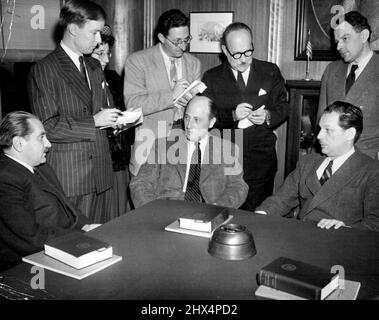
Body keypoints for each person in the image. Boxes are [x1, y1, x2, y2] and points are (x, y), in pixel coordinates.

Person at [28, 0, 121, 223]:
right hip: (71, 179)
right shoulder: (45, 69)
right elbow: (47, 126)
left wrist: (116, 122)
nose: (99, 41)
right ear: (73, 29)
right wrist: (95, 122)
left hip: (102, 175)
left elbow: (101, 110)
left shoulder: (94, 66)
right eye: (94, 33)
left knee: (102, 241)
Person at [202, 22, 289, 212]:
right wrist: (232, 115)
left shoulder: (270, 71)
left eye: (248, 52)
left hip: (260, 161)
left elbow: (283, 107)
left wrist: (267, 116)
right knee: (222, 215)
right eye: (237, 54)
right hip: (225, 161)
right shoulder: (211, 77)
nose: (243, 59)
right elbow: (205, 115)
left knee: (257, 218)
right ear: (225, 50)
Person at [255, 101, 379, 232]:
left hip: (341, 244)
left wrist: (346, 228)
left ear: (349, 134)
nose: (319, 136)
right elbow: (281, 200)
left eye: (328, 130)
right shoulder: (307, 162)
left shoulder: (372, 171)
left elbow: (375, 224)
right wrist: (260, 217)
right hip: (300, 237)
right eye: (320, 129)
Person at [0, 112, 100, 270]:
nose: (49, 144)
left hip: (59, 245)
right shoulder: (5, 179)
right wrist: (81, 236)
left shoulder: (42, 166)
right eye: (41, 137)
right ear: (19, 143)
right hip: (31, 264)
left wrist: (87, 226)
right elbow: (31, 239)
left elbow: (66, 205)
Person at [129, 95, 248, 209]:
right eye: (187, 117)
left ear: (211, 122)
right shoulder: (162, 146)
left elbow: (238, 187)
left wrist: (218, 208)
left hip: (208, 212)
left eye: (197, 119)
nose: (189, 125)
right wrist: (156, 212)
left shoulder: (226, 149)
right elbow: (139, 184)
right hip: (168, 211)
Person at [124, 9, 201, 177]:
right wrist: (171, 95)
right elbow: (133, 105)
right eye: (177, 41)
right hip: (150, 145)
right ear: (161, 38)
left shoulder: (194, 63)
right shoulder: (137, 61)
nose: (183, 46)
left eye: (186, 39)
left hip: (184, 145)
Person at [317, 11, 379, 160]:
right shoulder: (331, 70)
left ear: (364, 36)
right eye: (337, 41)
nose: (339, 46)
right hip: (331, 160)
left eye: (345, 38)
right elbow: (321, 117)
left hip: (369, 162)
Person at [91, 25, 134, 216]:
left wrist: (127, 121)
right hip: (96, 160)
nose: (106, 59)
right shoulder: (80, 82)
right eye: (100, 53)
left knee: (119, 211)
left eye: (108, 53)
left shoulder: (113, 78)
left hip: (118, 156)